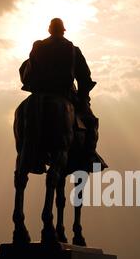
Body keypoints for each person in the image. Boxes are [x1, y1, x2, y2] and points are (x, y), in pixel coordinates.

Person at [19, 18, 105, 171]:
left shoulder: (38, 46)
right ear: (63, 31)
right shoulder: (72, 49)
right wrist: (83, 97)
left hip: (38, 93)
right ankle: (89, 156)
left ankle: (26, 156)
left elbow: (26, 73)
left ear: (49, 30)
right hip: (64, 94)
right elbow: (84, 78)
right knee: (91, 122)